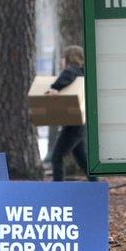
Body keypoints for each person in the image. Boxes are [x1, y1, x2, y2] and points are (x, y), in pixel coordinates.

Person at [45, 45, 96, 182]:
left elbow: (68, 74)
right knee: (81, 156)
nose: (61, 61)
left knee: (57, 156)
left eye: (62, 58)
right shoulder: (84, 72)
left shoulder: (72, 70)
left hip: (73, 125)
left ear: (68, 58)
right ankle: (95, 184)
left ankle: (58, 188)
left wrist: (55, 88)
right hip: (79, 123)